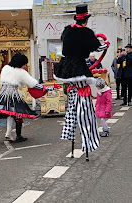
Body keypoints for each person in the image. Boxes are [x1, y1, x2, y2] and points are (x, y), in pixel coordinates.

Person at [54, 4, 108, 161]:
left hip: (65, 67)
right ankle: (88, 144)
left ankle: (71, 139)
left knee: (72, 106)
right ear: (85, 20)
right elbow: (97, 47)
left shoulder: (67, 30)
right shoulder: (86, 33)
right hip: (78, 68)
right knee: (85, 112)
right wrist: (105, 44)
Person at [0, 53, 54, 142]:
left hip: (3, 92)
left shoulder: (5, 68)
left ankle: (8, 133)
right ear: (21, 64)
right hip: (13, 93)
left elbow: (1, 81)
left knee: (10, 113)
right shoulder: (21, 72)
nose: (24, 66)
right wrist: (47, 88)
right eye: (24, 64)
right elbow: (33, 84)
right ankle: (18, 136)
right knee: (18, 113)